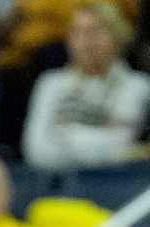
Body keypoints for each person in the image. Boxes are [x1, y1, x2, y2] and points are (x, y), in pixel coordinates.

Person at [22, 0, 150, 171]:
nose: (86, 41)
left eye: (95, 31)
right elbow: (35, 150)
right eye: (77, 32)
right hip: (56, 182)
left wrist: (66, 134)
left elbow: (121, 146)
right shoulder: (50, 83)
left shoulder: (138, 86)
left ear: (117, 36)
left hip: (117, 181)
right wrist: (98, 136)